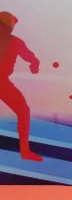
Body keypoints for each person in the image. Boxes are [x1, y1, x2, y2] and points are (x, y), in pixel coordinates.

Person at [0, 11, 42, 162]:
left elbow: (31, 58)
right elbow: (32, 59)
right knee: (23, 111)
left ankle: (25, 151)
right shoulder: (15, 42)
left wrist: (35, 64)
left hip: (2, 83)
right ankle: (24, 151)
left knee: (23, 111)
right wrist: (34, 64)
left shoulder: (16, 42)